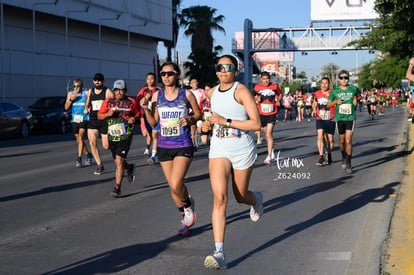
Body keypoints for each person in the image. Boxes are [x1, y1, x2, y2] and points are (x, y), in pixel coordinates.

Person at [200, 55, 263, 269]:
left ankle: (255, 201)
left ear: (235, 71)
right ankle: (219, 252)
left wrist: (225, 121)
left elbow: (256, 124)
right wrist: (206, 126)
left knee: (240, 196)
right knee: (220, 198)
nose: (223, 70)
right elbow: (211, 119)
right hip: (219, 148)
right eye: (220, 67)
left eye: (228, 67)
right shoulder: (212, 93)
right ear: (216, 71)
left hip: (242, 149)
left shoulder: (241, 91)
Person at [140, 62, 201, 235]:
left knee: (176, 183)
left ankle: (188, 206)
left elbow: (198, 114)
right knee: (173, 188)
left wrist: (189, 120)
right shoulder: (157, 97)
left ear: (177, 75)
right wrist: (145, 109)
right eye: (163, 74)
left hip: (183, 144)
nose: (166, 76)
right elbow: (153, 123)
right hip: (164, 146)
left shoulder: (186, 94)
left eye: (170, 73)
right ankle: (184, 216)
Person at [97, 79, 139, 197]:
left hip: (126, 135)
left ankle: (117, 188)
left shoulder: (131, 102)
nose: (119, 93)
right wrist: (107, 114)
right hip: (113, 135)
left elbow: (138, 113)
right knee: (118, 161)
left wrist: (134, 119)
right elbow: (99, 116)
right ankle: (129, 167)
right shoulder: (108, 102)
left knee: (119, 161)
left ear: (125, 90)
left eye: (121, 90)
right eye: (116, 90)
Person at [327, 70, 361, 174]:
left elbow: (359, 96)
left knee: (348, 140)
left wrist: (357, 100)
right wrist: (335, 102)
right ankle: (344, 156)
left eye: (346, 78)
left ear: (348, 79)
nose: (344, 80)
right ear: (338, 79)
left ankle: (349, 163)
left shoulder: (353, 89)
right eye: (342, 78)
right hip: (339, 118)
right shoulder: (334, 91)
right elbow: (328, 105)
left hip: (350, 118)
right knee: (341, 141)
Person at [84, 73, 114, 175]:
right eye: (96, 80)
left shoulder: (107, 92)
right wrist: (86, 108)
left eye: (100, 80)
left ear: (103, 81)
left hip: (104, 120)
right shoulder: (90, 92)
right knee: (92, 143)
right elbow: (87, 103)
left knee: (106, 146)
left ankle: (117, 152)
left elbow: (114, 103)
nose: (97, 82)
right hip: (93, 120)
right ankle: (99, 165)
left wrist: (110, 112)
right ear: (93, 81)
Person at [253, 71, 282, 164]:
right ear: (261, 79)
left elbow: (280, 94)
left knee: (269, 134)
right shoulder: (257, 87)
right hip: (262, 114)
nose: (266, 81)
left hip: (272, 113)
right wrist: (256, 99)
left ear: (270, 78)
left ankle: (269, 156)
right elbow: (252, 96)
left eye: (267, 79)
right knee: (266, 134)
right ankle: (272, 148)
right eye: (264, 79)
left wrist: (278, 100)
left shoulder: (274, 86)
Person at [64, 79, 92, 167]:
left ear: (81, 86)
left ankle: (79, 159)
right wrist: (71, 99)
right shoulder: (70, 94)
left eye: (78, 86)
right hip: (75, 119)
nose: (76, 88)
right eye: (74, 86)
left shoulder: (85, 93)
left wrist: (88, 108)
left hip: (84, 118)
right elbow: (66, 107)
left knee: (81, 136)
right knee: (78, 139)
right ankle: (88, 155)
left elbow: (90, 103)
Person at [136, 73, 162, 165]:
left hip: (157, 115)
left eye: (152, 79)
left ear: (155, 80)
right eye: (148, 79)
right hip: (146, 116)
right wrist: (146, 99)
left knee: (155, 134)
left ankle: (153, 155)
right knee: (148, 134)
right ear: (146, 80)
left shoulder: (159, 90)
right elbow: (140, 103)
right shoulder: (143, 90)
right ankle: (151, 148)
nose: (150, 80)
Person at [312, 77, 335, 166]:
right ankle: (321, 156)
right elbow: (315, 102)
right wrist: (314, 109)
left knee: (331, 139)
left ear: (329, 84)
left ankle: (329, 154)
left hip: (331, 118)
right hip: (320, 117)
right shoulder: (317, 93)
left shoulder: (333, 93)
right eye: (322, 83)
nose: (324, 85)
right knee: (320, 136)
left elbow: (336, 103)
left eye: (326, 83)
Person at [188, 77, 206, 151]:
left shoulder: (201, 91)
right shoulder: (188, 92)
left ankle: (203, 141)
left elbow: (205, 100)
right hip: (190, 111)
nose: (195, 84)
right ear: (190, 84)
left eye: (196, 82)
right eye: (193, 83)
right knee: (192, 128)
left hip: (200, 111)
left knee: (199, 128)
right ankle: (193, 144)